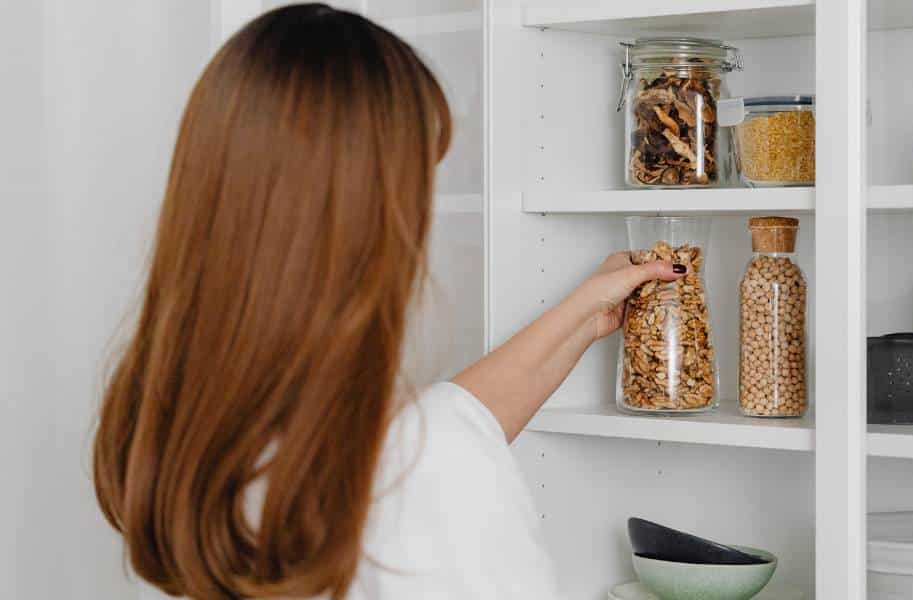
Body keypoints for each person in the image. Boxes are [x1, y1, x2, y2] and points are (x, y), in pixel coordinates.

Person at [91, 4, 686, 599]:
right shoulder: (430, 471)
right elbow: (426, 456)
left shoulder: (177, 434)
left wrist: (581, 315)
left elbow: (443, 426)